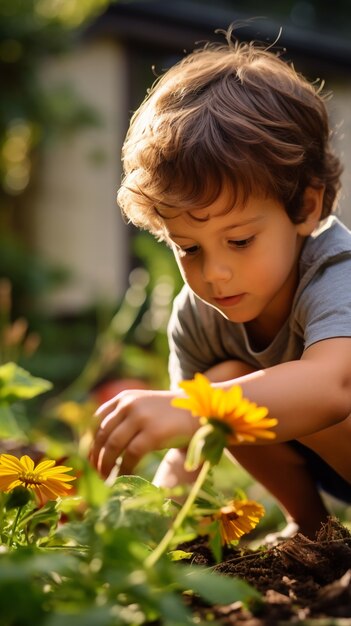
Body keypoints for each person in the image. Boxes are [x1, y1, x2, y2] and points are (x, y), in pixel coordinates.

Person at [90, 29, 351, 540]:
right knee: (222, 381)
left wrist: (190, 408)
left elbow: (334, 388)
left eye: (239, 241)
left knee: (226, 398)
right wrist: (150, 520)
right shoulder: (201, 313)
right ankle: (313, 530)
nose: (214, 274)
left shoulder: (336, 270)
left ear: (305, 207)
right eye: (188, 247)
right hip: (323, 457)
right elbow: (188, 449)